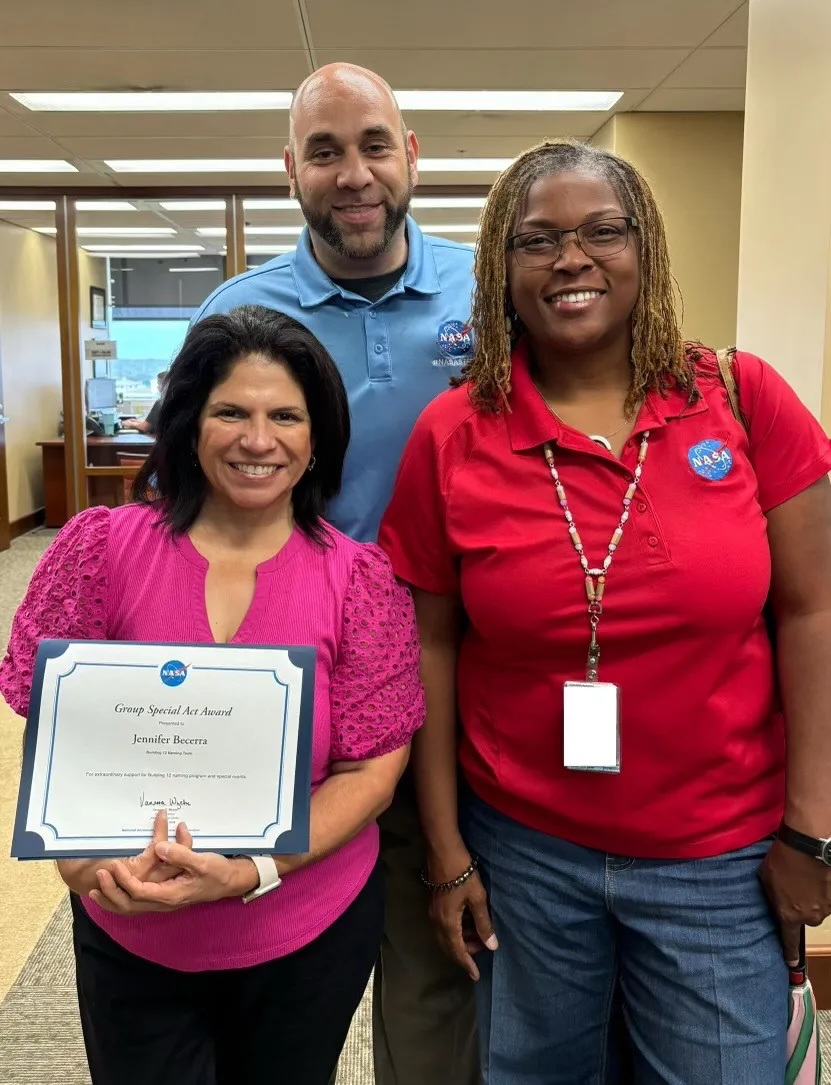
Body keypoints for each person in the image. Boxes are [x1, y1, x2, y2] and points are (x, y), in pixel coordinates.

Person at [378, 139, 831, 1084]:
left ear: (645, 250)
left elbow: (813, 614)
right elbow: (427, 647)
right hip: (524, 851)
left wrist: (809, 829)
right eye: (536, 240)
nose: (571, 259)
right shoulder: (453, 433)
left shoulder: (742, 401)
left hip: (719, 855)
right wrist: (448, 853)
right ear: (500, 268)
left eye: (601, 232)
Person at [0, 305, 424, 1085]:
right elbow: (54, 720)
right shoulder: (100, 549)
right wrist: (81, 860)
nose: (257, 440)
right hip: (128, 925)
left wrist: (251, 870)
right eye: (231, 411)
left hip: (304, 927)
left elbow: (372, 775)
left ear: (317, 435)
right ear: (189, 422)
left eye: (285, 416)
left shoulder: (359, 582)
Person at [192, 63, 481, 1085]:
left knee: (441, 956)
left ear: (412, 156)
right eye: (324, 151)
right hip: (292, 700)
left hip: (458, 690)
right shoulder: (242, 312)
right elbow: (189, 507)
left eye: (371, 144)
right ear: (290, 172)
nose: (352, 173)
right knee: (269, 963)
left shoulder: (484, 292)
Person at [120, 369, 168, 434]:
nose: (157, 387)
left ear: (165, 385)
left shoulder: (161, 402)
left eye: (159, 384)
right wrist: (137, 422)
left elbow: (145, 428)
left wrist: (128, 424)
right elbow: (152, 425)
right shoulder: (173, 400)